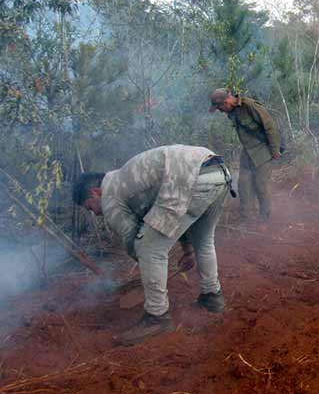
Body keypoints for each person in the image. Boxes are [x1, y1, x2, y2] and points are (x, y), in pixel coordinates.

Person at [72, 145, 233, 345]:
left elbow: (135, 241)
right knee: (203, 241)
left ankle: (157, 317)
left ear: (96, 192)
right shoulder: (123, 178)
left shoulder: (109, 196)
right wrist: (187, 251)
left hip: (189, 180)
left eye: (90, 206)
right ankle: (212, 296)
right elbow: (176, 215)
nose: (95, 213)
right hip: (217, 173)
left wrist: (148, 263)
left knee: (148, 247)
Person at [209, 88, 281, 223]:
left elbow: (270, 126)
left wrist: (275, 150)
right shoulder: (232, 111)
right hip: (248, 152)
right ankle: (246, 219)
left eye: (219, 108)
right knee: (243, 185)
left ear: (226, 102)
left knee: (261, 185)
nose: (220, 111)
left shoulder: (250, 106)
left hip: (263, 150)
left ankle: (265, 220)